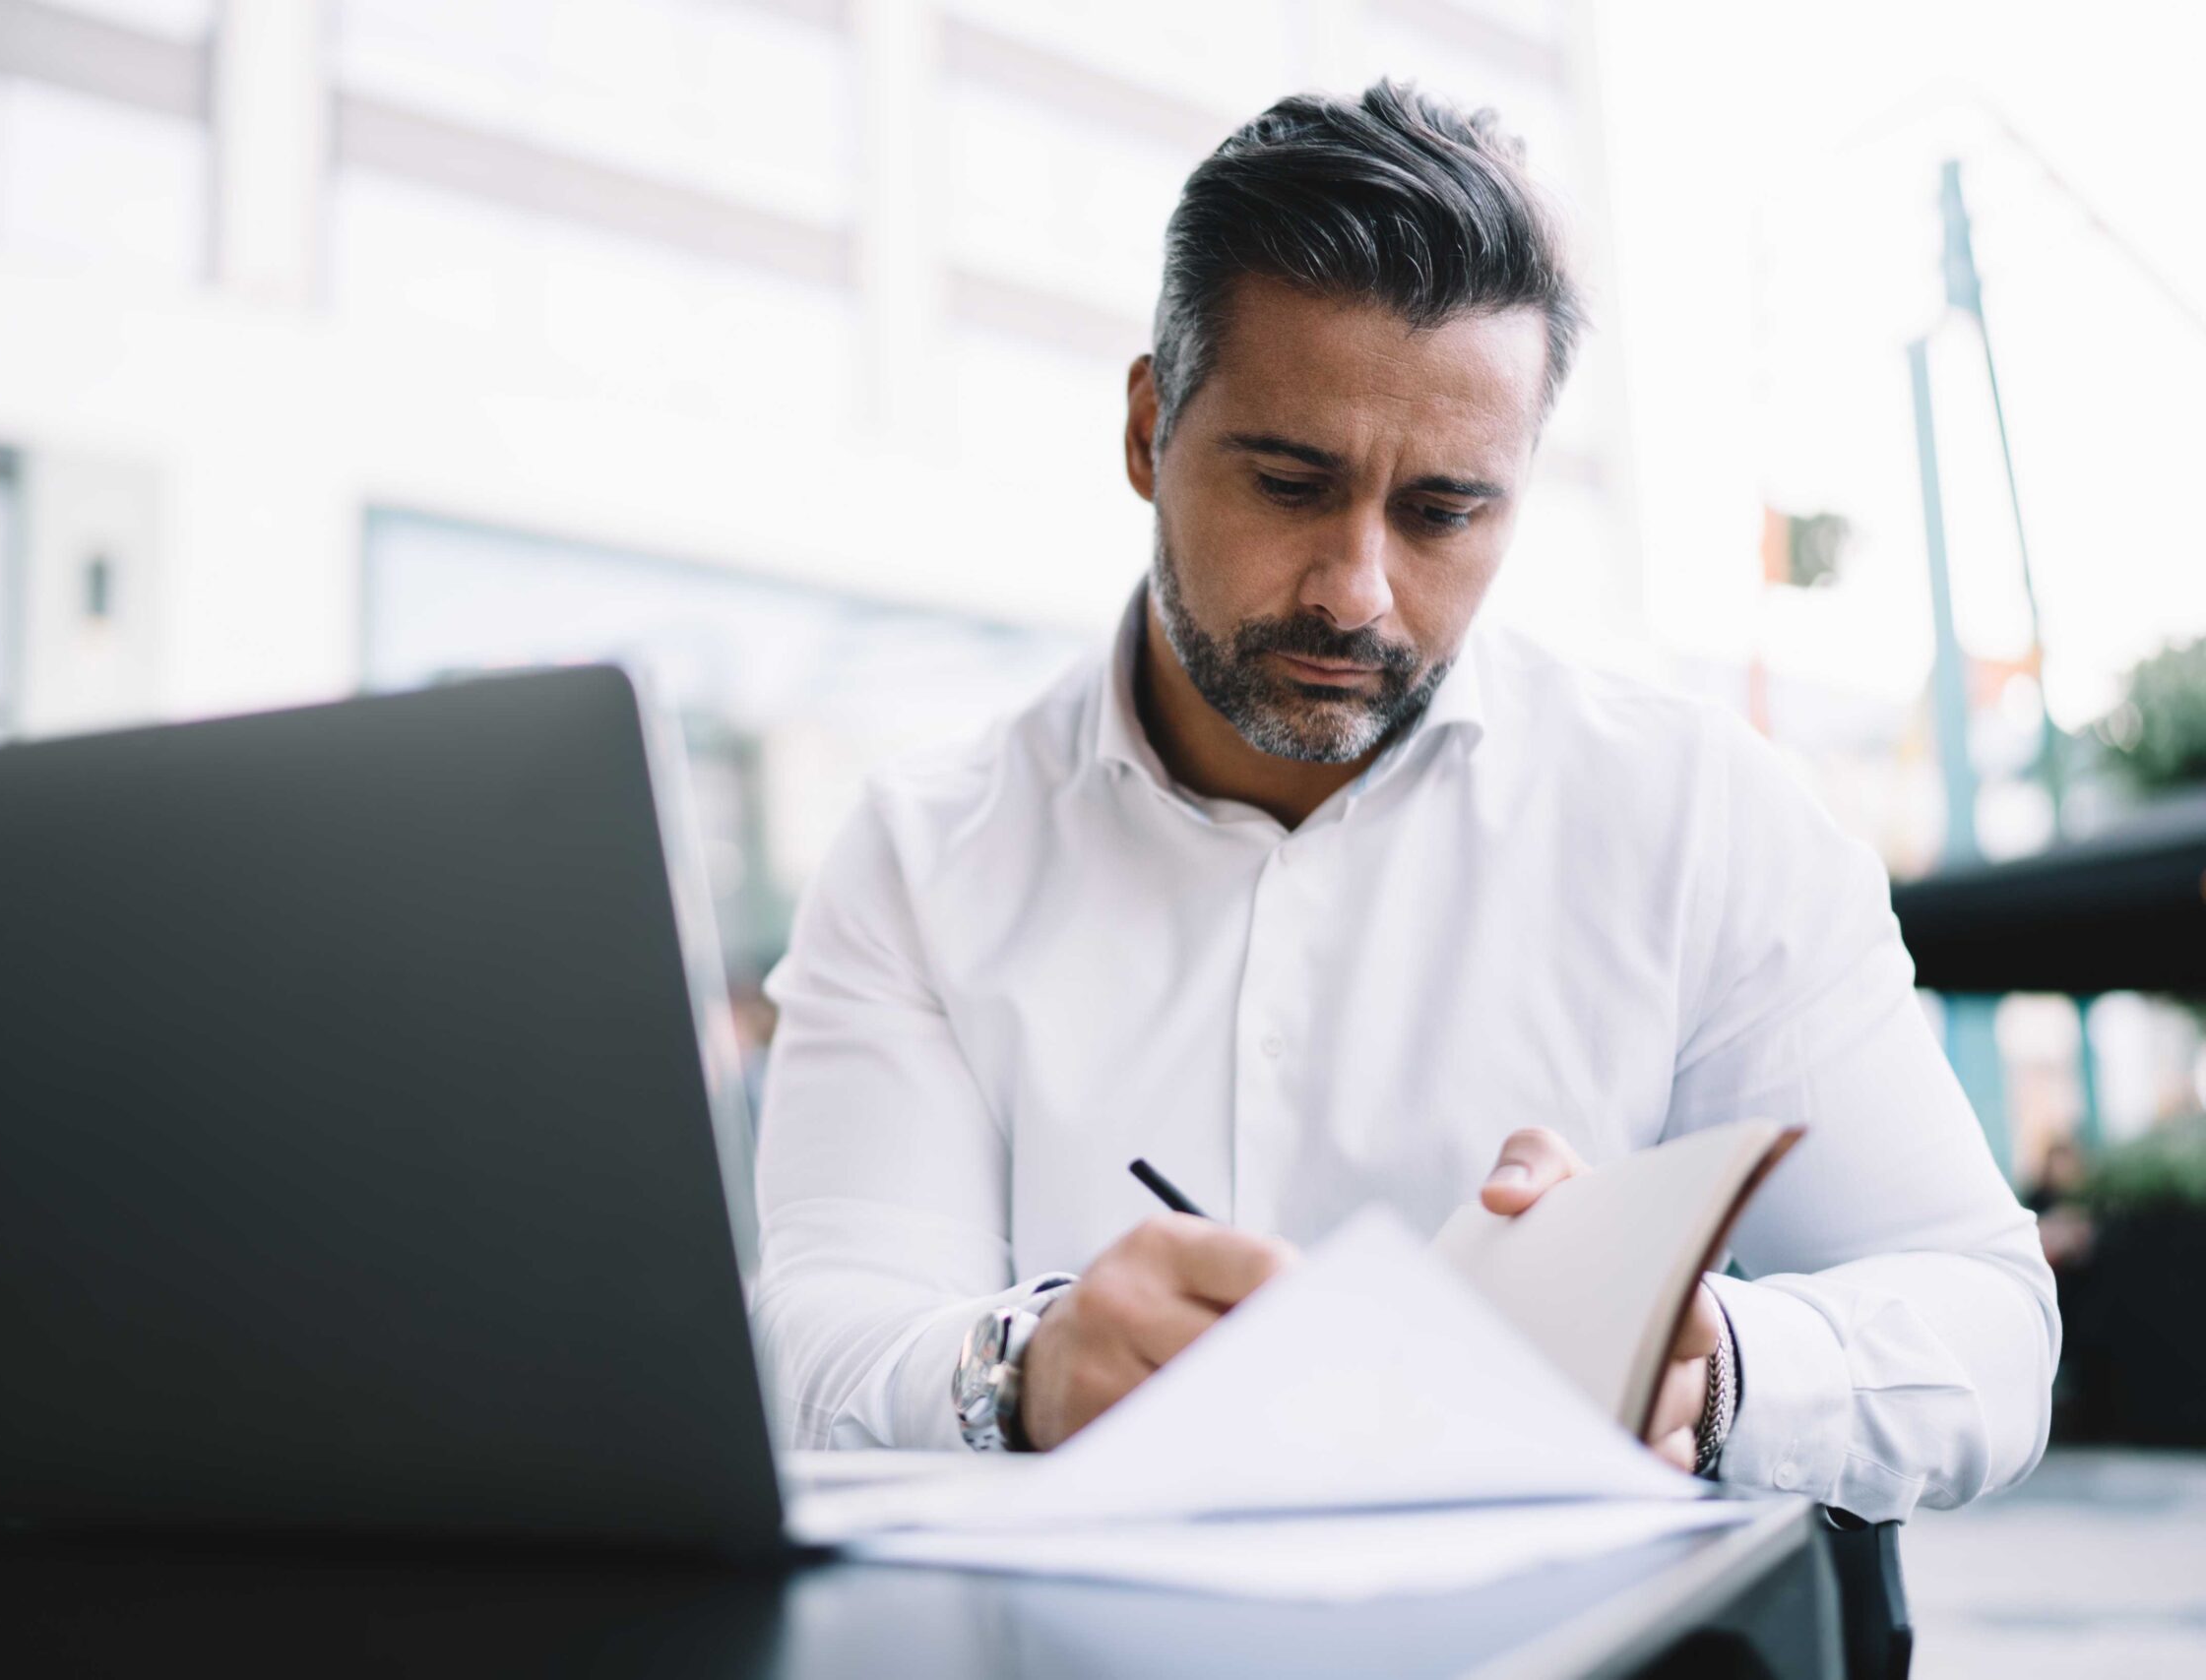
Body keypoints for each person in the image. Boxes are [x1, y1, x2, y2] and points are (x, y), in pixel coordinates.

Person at [750, 82, 2057, 1521]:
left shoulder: (1702, 818)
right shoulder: (925, 851)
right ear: (1146, 428)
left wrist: (1720, 1374)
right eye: (1289, 483)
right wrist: (1021, 1372)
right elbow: (819, 1329)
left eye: (1444, 511)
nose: (1356, 591)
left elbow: (1988, 1322)